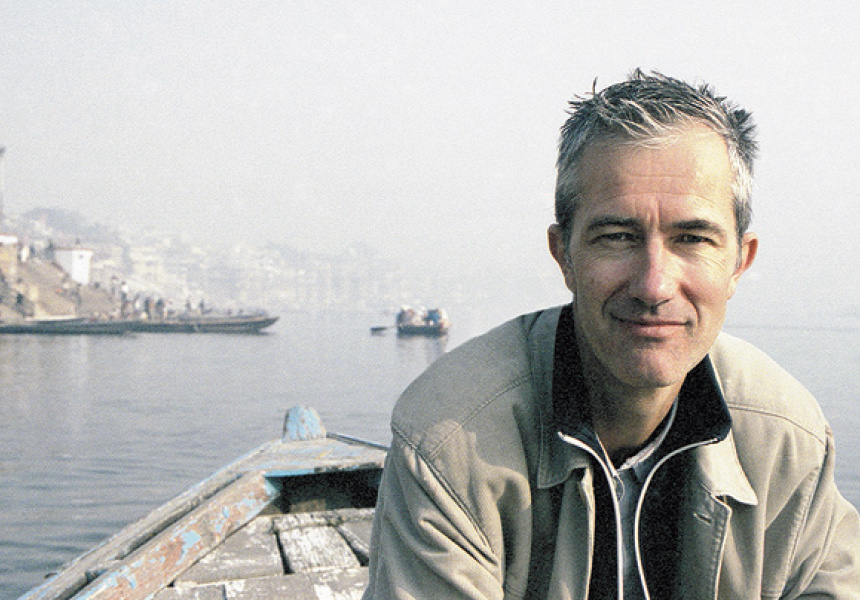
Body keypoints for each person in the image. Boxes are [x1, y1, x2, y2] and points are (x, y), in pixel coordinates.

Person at [362, 70, 860, 599]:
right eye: (618, 236)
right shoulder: (452, 441)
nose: (654, 285)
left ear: (740, 262)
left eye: (692, 239)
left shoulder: (783, 436)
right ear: (564, 255)